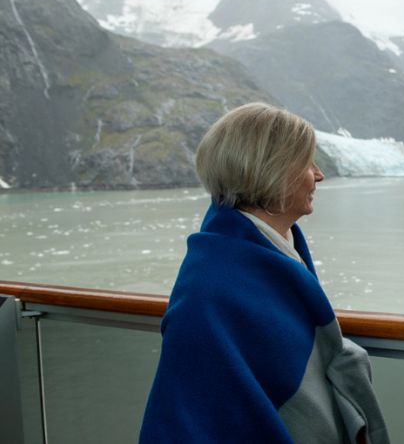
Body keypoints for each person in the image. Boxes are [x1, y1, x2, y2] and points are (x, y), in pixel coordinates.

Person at [140, 103, 388, 443]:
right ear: (274, 172)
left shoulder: (270, 256)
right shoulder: (212, 290)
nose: (318, 175)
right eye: (307, 164)